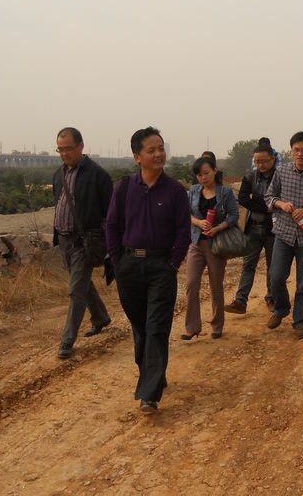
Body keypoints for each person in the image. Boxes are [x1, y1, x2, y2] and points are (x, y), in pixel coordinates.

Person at [105, 127, 191, 414]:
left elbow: (183, 231)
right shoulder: (123, 188)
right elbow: (112, 226)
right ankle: (154, 374)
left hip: (160, 268)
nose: (158, 154)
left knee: (156, 327)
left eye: (161, 148)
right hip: (129, 266)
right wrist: (118, 262)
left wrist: (172, 264)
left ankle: (149, 394)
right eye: (151, 150)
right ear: (137, 157)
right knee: (141, 327)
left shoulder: (175, 190)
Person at [52, 127, 113, 360]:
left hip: (85, 241)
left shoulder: (97, 175)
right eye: (60, 149)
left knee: (75, 290)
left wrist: (109, 244)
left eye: (68, 148)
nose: (64, 153)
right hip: (64, 239)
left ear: (81, 146)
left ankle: (67, 340)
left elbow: (110, 213)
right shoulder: (58, 174)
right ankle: (101, 317)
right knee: (82, 283)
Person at [264, 131, 303, 339]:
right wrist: (281, 204)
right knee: (276, 276)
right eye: (296, 150)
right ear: (291, 151)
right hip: (283, 233)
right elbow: (269, 197)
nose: (300, 154)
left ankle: (300, 321)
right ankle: (281, 308)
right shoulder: (281, 172)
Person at [183, 157, 239, 339]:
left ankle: (217, 325)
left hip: (216, 245)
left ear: (215, 171)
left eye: (206, 173)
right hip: (196, 243)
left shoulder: (225, 192)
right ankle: (192, 327)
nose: (203, 177)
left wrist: (218, 228)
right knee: (191, 284)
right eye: (199, 175)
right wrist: (198, 222)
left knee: (216, 285)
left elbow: (233, 216)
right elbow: (185, 214)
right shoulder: (193, 191)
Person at [225, 144, 277, 314]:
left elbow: (281, 200)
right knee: (248, 265)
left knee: (272, 266)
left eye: (264, 161)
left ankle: (272, 298)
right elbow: (243, 199)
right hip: (253, 227)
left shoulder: (280, 176)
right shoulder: (250, 176)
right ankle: (240, 301)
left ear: (273, 159)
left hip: (273, 229)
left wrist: (257, 199)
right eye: (257, 161)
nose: (261, 165)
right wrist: (268, 206)